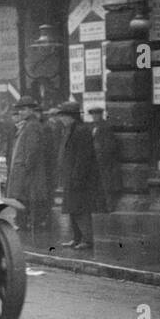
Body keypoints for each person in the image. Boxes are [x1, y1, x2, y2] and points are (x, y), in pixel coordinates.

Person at [55, 100, 100, 250]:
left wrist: (77, 177)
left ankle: (87, 240)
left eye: (63, 115)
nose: (61, 119)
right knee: (72, 209)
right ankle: (76, 238)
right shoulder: (70, 130)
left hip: (79, 178)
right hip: (71, 177)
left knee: (81, 210)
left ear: (71, 117)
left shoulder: (81, 131)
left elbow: (83, 157)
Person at [6, 97, 49, 230]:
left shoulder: (32, 126)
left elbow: (32, 150)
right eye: (20, 109)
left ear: (31, 110)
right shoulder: (28, 125)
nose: (21, 112)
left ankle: (26, 224)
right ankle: (25, 223)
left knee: (27, 197)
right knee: (25, 198)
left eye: (24, 109)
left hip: (27, 172)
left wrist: (26, 167)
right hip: (24, 170)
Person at [88, 106, 122, 213]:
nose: (94, 116)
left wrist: (101, 154)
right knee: (96, 184)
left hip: (104, 161)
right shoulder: (91, 126)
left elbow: (110, 145)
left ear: (101, 114)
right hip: (94, 161)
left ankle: (108, 206)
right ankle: (98, 206)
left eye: (96, 114)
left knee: (106, 184)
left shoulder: (106, 127)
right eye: (93, 114)